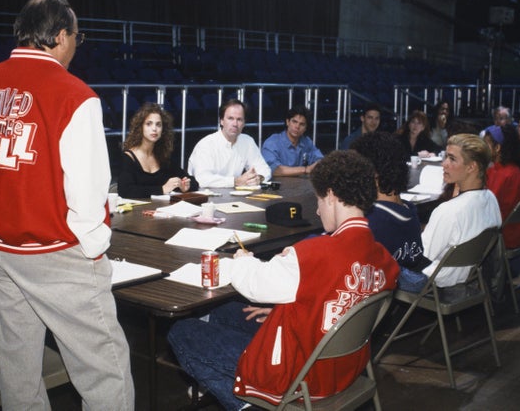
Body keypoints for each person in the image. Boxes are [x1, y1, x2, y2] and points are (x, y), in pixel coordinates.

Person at [0, 0, 134, 410]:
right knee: (105, 369)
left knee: (18, 365)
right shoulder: (74, 95)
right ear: (62, 36)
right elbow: (88, 189)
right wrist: (94, 248)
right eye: (77, 37)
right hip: (52, 251)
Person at [167, 150, 399, 410]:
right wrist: (293, 308)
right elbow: (337, 297)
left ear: (331, 196)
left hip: (302, 377)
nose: (318, 210)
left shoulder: (313, 254)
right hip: (345, 369)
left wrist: (243, 259)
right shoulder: (383, 258)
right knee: (226, 313)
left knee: (182, 331)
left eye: (319, 200)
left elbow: (255, 285)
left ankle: (253, 406)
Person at [351, 131, 431, 291]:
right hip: (401, 290)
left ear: (372, 172)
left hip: (376, 294)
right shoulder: (410, 210)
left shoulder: (371, 221)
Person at [421, 134, 502, 288]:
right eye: (445, 157)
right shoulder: (491, 198)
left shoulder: (448, 211)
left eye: (452, 159)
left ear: (472, 167)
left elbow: (421, 257)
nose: (444, 164)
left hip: (434, 281)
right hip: (469, 275)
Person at [483, 124, 520, 285]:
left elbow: (486, 206)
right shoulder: (512, 169)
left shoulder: (503, 174)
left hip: (504, 234)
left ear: (498, 148)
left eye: (486, 144)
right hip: (518, 230)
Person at [117, 102, 198, 197]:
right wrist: (162, 189)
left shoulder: (163, 156)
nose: (154, 129)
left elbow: (193, 182)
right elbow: (125, 191)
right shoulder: (128, 157)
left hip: (162, 209)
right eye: (149, 124)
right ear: (140, 127)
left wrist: (186, 186)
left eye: (158, 125)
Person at [187, 98, 271, 188]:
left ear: (244, 123)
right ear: (221, 121)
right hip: (204, 197)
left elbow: (265, 169)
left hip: (234, 196)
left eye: (239, 119)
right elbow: (202, 179)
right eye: (230, 118)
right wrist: (236, 181)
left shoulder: (247, 141)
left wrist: (258, 178)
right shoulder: (206, 144)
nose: (235, 124)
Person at [261, 105, 323, 177]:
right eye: (294, 122)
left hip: (301, 186)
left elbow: (321, 160)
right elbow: (274, 170)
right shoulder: (272, 142)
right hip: (279, 186)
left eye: (302, 124)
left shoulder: (306, 141)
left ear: (306, 128)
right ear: (288, 122)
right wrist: (306, 169)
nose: (297, 127)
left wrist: (317, 164)